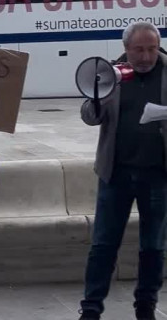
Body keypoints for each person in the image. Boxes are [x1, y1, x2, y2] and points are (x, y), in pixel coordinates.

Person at [79, 21, 167, 320]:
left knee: (153, 246)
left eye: (151, 49)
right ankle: (91, 308)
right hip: (115, 174)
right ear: (126, 49)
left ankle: (145, 307)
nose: (146, 56)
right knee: (103, 244)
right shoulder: (111, 74)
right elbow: (91, 117)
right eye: (139, 50)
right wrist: (96, 95)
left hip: (158, 174)